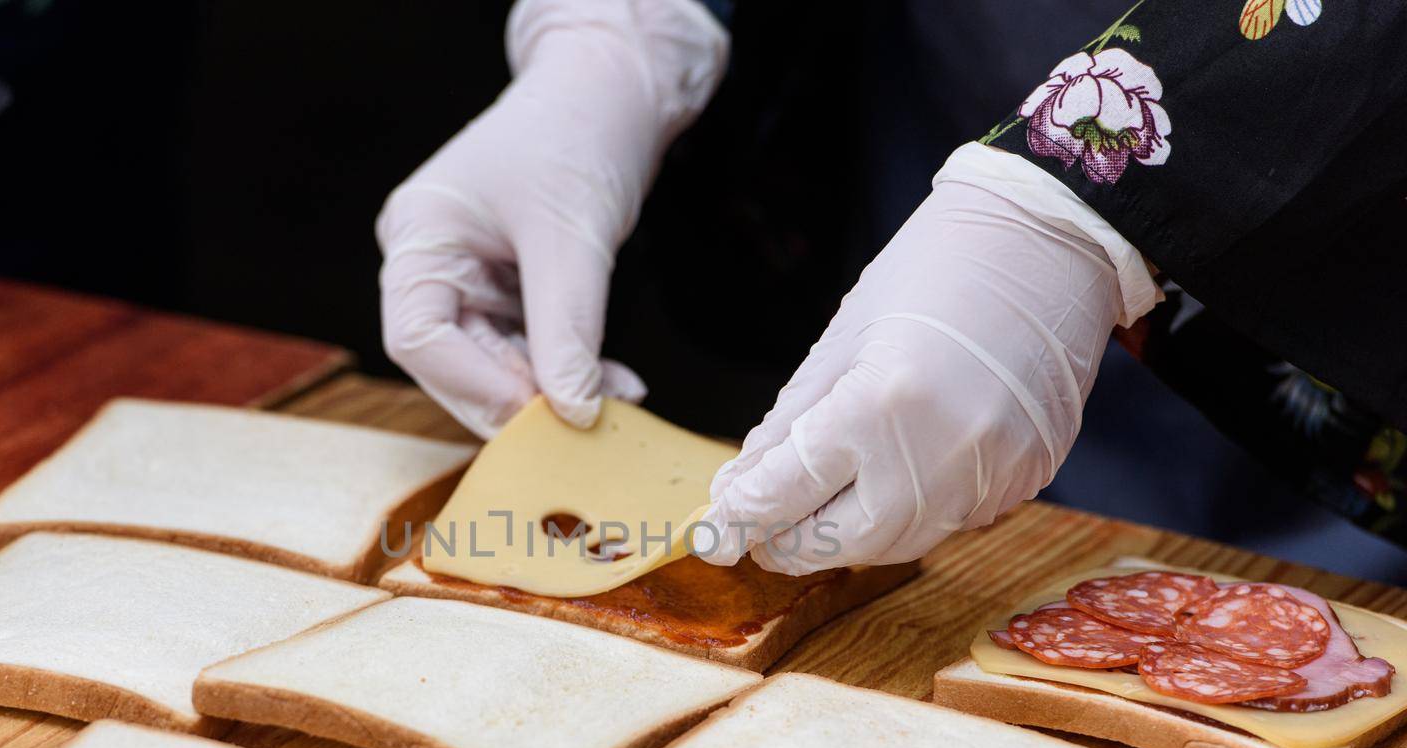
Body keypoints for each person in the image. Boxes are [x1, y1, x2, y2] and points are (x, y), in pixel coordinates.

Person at [375, 0, 1407, 573]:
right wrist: (622, 32)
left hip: (1351, 204)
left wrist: (1078, 192)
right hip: (953, 106)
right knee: (909, 439)